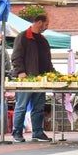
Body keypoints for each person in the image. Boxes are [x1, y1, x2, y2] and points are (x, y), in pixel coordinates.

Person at [11, 14, 54, 142]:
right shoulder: (23, 37)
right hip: (26, 79)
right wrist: (20, 71)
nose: (46, 27)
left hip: (40, 79)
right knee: (21, 106)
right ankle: (17, 132)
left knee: (39, 107)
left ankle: (38, 132)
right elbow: (16, 56)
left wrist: (52, 73)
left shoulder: (43, 40)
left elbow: (47, 60)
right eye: (46, 24)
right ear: (39, 22)